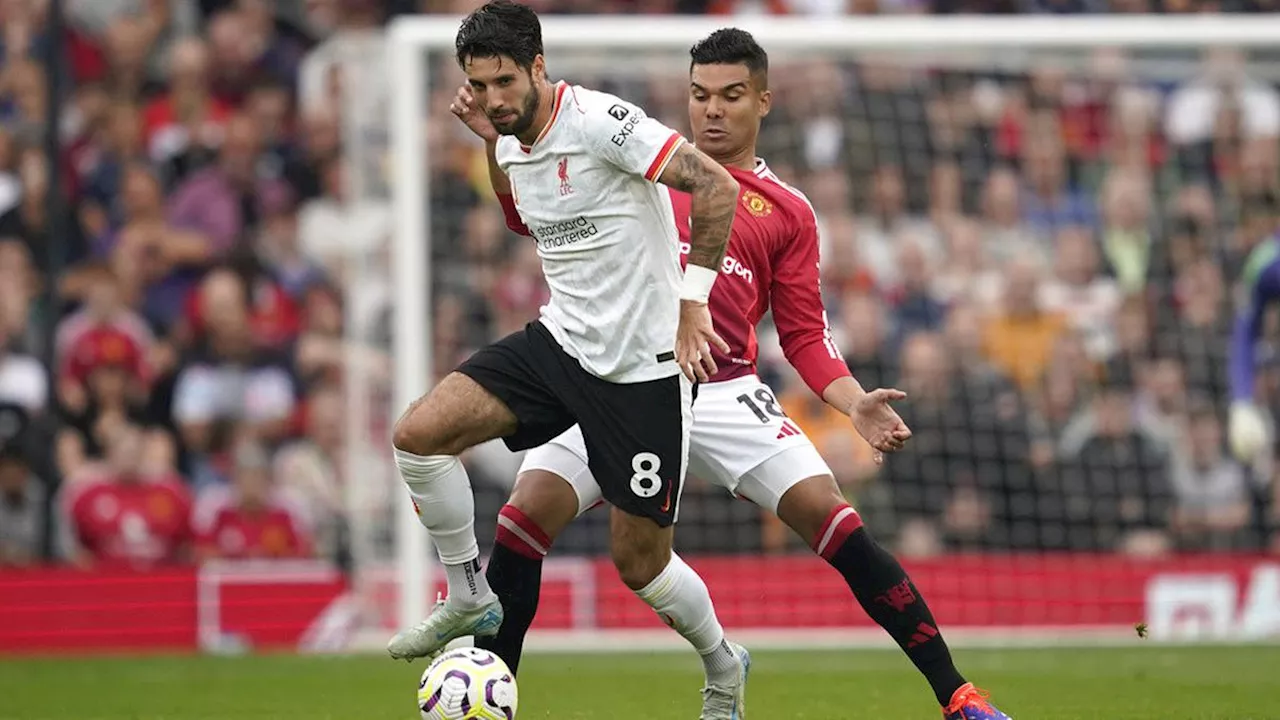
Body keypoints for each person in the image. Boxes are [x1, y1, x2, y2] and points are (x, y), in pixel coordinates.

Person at [474, 29, 1012, 720]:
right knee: (521, 523)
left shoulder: (787, 211)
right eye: (699, 96)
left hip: (724, 390)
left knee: (836, 520)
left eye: (731, 97)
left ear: (765, 101)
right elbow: (527, 214)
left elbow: (805, 336)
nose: (712, 112)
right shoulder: (636, 158)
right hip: (618, 380)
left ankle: (958, 696)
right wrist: (493, 140)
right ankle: (491, 705)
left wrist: (852, 402)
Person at [388, 5, 752, 716]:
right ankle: (468, 595)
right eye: (478, 83)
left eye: (504, 81)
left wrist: (694, 301)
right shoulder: (507, 140)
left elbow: (717, 186)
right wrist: (492, 146)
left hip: (643, 371)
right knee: (418, 437)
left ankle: (723, 665)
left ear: (538, 67)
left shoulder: (601, 122)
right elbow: (524, 220)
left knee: (640, 564)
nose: (492, 98)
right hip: (562, 346)